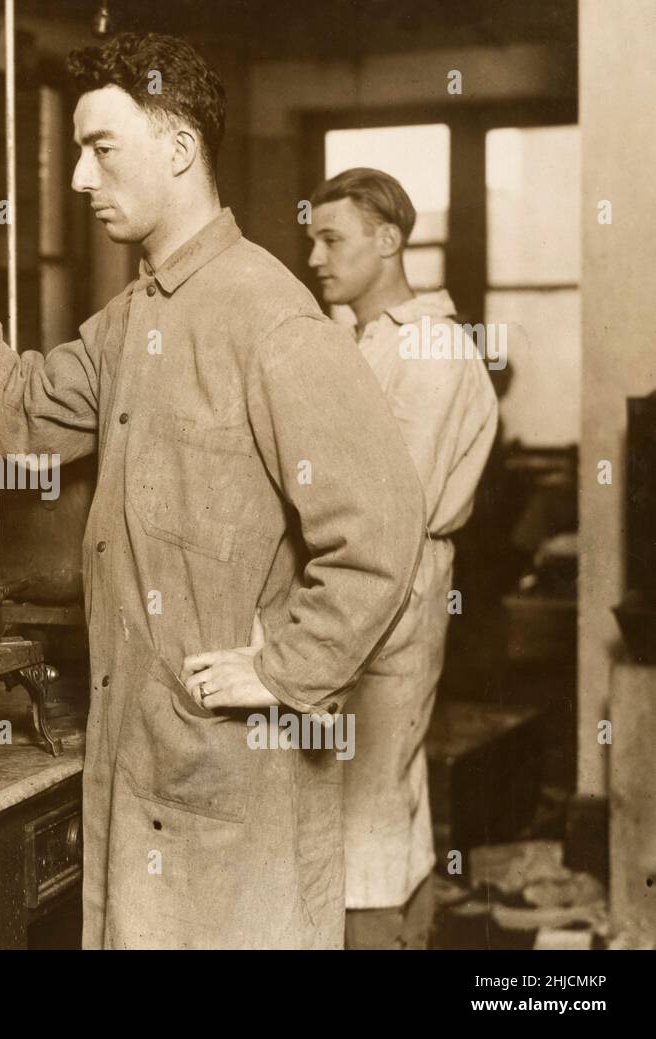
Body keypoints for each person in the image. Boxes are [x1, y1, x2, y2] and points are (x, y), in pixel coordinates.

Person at [0, 32, 424, 949]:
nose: (81, 180)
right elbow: (21, 416)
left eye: (101, 149)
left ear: (178, 149)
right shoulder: (132, 321)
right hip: (141, 771)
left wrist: (283, 669)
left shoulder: (271, 319)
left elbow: (380, 529)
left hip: (234, 790)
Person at [307, 167, 498, 948]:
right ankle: (402, 932)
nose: (315, 255)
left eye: (331, 238)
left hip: (393, 581)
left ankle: (377, 936)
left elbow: (392, 502)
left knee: (367, 797)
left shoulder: (430, 348)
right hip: (355, 579)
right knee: (378, 783)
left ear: (387, 241)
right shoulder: (360, 338)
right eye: (312, 238)